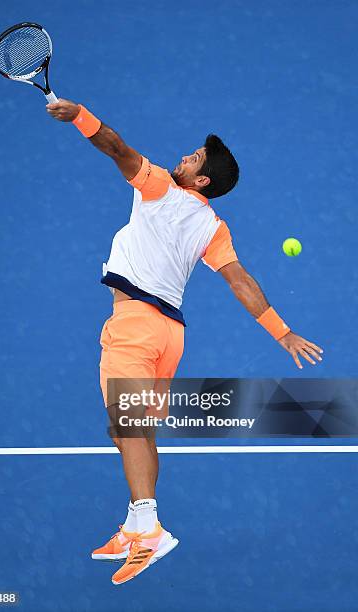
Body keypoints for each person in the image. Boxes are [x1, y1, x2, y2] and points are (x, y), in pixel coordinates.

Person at [46, 99, 323, 585]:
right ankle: (136, 526)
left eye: (194, 159)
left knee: (126, 428)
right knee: (131, 431)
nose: (185, 156)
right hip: (170, 334)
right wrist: (282, 331)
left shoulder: (156, 185)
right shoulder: (214, 228)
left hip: (134, 327)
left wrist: (80, 116)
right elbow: (240, 281)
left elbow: (114, 146)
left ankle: (150, 529)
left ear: (200, 182)